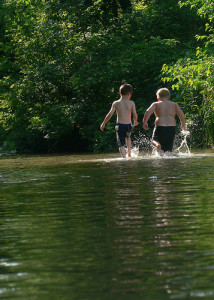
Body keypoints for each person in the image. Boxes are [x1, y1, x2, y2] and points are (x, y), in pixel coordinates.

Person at [100, 83, 138, 158]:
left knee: (121, 142)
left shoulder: (116, 103)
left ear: (120, 93)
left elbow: (110, 114)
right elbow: (135, 114)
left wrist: (104, 123)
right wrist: (135, 121)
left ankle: (124, 157)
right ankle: (129, 153)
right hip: (128, 125)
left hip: (120, 125)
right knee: (128, 137)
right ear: (130, 94)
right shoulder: (131, 103)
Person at [143, 88, 186, 153]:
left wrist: (145, 122)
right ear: (169, 98)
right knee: (168, 148)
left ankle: (157, 145)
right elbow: (181, 114)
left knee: (154, 141)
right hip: (171, 128)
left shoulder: (156, 104)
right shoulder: (174, 105)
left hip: (160, 127)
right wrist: (183, 124)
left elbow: (148, 111)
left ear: (158, 98)